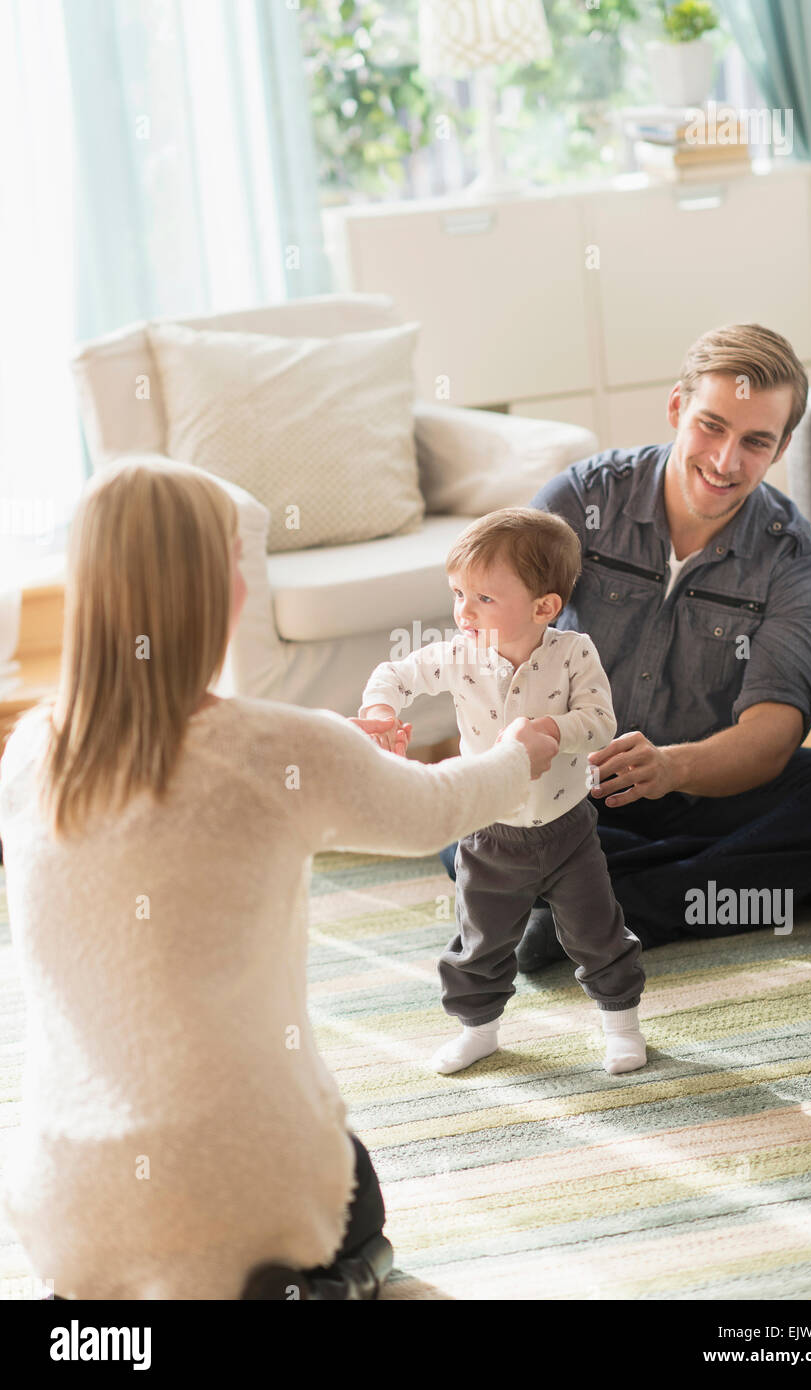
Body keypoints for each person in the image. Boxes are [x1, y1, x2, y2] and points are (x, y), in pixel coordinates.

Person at [0, 457, 557, 1301]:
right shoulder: (284, 750)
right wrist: (523, 750)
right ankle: (326, 1284)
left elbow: (196, 775)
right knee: (354, 1186)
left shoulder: (32, 750)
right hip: (241, 1190)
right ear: (217, 589)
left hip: (69, 1212)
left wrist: (323, 750)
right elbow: (434, 812)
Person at [437, 323, 811, 963]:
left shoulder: (794, 560)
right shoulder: (584, 500)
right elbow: (489, 625)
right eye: (711, 426)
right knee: (460, 837)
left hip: (707, 786)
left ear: (783, 446)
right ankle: (777, 882)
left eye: (755, 442)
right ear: (677, 407)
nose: (727, 461)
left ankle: (600, 909)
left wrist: (672, 767)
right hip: (575, 785)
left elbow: (772, 736)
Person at [359, 509, 647, 1077]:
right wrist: (380, 711)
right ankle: (478, 1030)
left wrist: (552, 731)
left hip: (567, 832)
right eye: (457, 593)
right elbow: (395, 676)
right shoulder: (459, 655)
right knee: (481, 941)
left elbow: (599, 722)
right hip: (488, 830)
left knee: (597, 931)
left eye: (483, 599)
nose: (463, 611)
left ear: (545, 607)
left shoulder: (573, 653)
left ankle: (621, 1025)